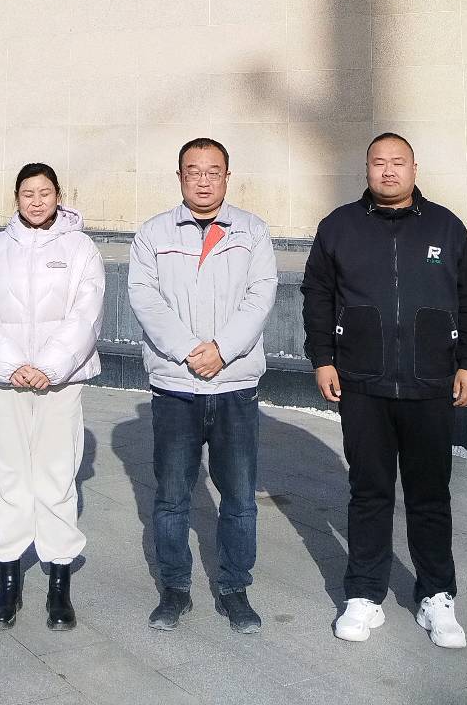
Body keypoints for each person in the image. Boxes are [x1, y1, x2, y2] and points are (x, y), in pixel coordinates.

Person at [301, 133, 467, 649]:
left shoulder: (445, 227)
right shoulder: (339, 227)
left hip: (431, 383)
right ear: (366, 169)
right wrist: (323, 358)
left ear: (413, 168)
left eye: (397, 162)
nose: (388, 171)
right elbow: (317, 296)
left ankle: (437, 596)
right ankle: (364, 594)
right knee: (369, 492)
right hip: (363, 383)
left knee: (430, 494)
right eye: (378, 162)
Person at [128, 137, 278, 634]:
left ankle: (235, 589)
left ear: (227, 177)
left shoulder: (252, 231)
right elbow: (145, 298)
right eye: (193, 172)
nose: (203, 181)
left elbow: (260, 297)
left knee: (239, 497)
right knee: (172, 496)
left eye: (213, 171)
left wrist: (222, 350)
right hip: (176, 386)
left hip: (234, 385)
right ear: (180, 177)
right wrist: (189, 349)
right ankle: (175, 588)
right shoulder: (153, 233)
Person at [0, 162, 105, 630]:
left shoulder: (80, 249)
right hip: (5, 383)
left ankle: (58, 584)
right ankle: (9, 581)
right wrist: (11, 366)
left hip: (59, 383)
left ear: (58, 195)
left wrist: (48, 367)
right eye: (28, 193)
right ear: (16, 198)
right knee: (9, 476)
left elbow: (86, 314)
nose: (37, 201)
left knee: (56, 476)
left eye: (45, 192)